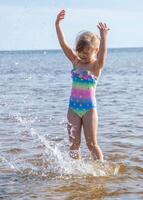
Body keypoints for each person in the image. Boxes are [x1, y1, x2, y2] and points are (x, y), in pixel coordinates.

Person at [55, 9, 110, 161]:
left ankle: (100, 169)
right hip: (73, 109)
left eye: (87, 53)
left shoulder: (96, 67)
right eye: (81, 53)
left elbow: (103, 53)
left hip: (89, 110)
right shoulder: (76, 62)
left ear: (95, 51)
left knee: (92, 143)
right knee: (74, 144)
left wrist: (104, 37)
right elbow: (64, 45)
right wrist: (57, 25)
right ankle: (76, 171)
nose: (83, 56)